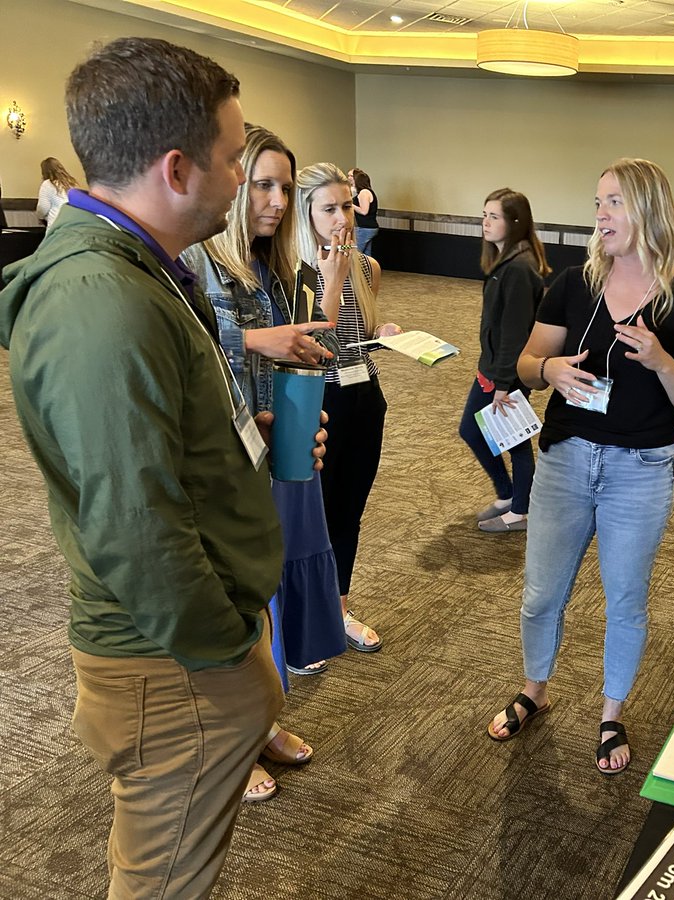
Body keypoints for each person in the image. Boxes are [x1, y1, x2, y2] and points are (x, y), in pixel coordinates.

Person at [0, 37, 324, 897]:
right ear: (176, 169)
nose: (238, 181)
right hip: (169, 664)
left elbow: (151, 449)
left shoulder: (136, 271)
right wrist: (227, 659)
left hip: (178, 656)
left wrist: (233, 433)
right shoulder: (100, 303)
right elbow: (134, 527)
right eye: (230, 160)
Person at [487, 158, 674, 775]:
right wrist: (551, 371)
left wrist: (663, 362)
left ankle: (611, 713)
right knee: (541, 594)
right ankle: (535, 688)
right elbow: (527, 362)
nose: (599, 216)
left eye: (612, 203)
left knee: (625, 600)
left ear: (646, 208)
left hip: (642, 468)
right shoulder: (573, 283)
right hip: (566, 460)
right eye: (598, 203)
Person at [184, 123, 341, 802]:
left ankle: (265, 717)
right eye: (263, 184)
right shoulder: (197, 261)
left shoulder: (272, 267)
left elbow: (292, 353)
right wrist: (257, 340)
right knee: (231, 608)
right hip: (214, 459)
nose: (277, 200)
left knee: (265, 595)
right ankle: (231, 744)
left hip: (264, 447)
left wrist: (305, 414)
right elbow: (181, 344)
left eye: (285, 185)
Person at [296, 162, 398, 654]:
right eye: (329, 208)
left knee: (349, 510)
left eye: (347, 206)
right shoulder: (295, 270)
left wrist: (384, 334)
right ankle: (302, 619)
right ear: (307, 214)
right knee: (310, 514)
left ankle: (336, 609)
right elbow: (313, 342)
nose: (343, 218)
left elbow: (354, 334)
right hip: (317, 401)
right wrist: (330, 280)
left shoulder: (366, 267)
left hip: (363, 397)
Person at [460, 188, 550, 533]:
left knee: (513, 443)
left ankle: (520, 510)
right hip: (493, 369)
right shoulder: (506, 261)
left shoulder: (518, 268)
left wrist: (502, 384)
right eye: (484, 215)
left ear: (515, 222)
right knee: (473, 430)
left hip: (505, 375)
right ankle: (507, 494)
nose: (485, 222)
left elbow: (515, 333)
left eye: (493, 216)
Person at [35, 157, 78, 228]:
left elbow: (43, 208)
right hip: (71, 224)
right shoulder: (72, 183)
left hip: (56, 225)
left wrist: (40, 217)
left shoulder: (48, 184)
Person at [352, 168, 379, 257]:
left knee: (356, 254)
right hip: (370, 227)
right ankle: (368, 271)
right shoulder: (369, 191)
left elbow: (364, 211)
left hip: (365, 228)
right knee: (366, 256)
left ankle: (357, 271)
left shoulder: (364, 192)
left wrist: (350, 204)